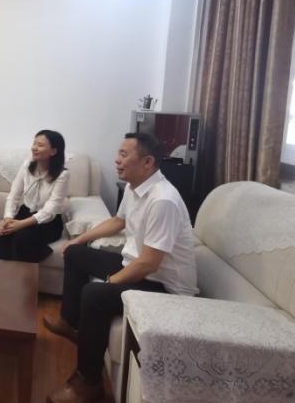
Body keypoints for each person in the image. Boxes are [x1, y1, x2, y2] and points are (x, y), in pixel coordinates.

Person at [44, 132, 198, 403]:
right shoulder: (134, 187)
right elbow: (118, 221)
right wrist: (79, 239)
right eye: (118, 153)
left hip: (164, 287)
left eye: (124, 155)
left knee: (95, 294)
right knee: (76, 254)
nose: (117, 160)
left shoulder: (163, 200)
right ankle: (71, 324)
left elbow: (149, 263)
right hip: (138, 267)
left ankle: (88, 384)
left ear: (147, 162)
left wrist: (111, 283)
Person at [0, 130, 70, 263]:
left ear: (53, 151)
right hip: (24, 213)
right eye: (34, 143)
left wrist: (20, 225)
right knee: (2, 237)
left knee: (21, 239)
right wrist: (8, 219)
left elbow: (50, 210)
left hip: (48, 223)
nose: (34, 148)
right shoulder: (26, 166)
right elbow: (13, 196)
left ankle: (22, 276)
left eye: (40, 145)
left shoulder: (62, 175)